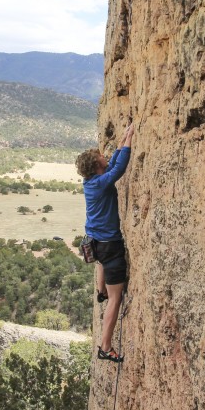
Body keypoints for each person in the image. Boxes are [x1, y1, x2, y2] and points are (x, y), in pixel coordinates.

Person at [76, 122, 134, 363]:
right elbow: (118, 169)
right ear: (98, 165)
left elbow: (111, 164)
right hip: (110, 246)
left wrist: (123, 138)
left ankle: (100, 291)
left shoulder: (90, 183)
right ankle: (105, 346)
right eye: (102, 156)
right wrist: (129, 140)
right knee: (116, 298)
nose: (105, 156)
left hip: (95, 242)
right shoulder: (100, 183)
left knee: (101, 263)